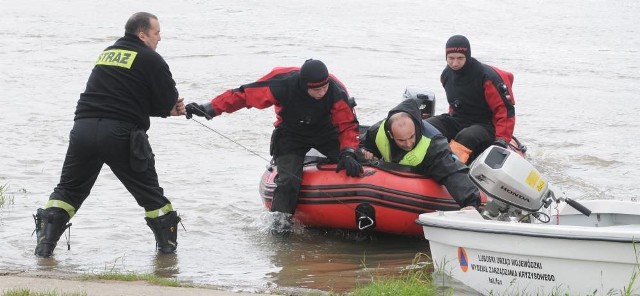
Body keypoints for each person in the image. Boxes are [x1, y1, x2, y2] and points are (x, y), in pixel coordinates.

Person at [33, 12, 185, 257]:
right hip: (121, 134)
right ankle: (167, 257)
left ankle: (43, 250)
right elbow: (167, 99)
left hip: (83, 129)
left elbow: (121, 96)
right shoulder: (151, 58)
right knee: (151, 195)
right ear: (142, 34)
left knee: (67, 192)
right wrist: (169, 109)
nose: (160, 38)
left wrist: (161, 109)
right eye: (157, 33)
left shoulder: (108, 53)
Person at [185, 59, 363, 228]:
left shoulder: (335, 91)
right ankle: (280, 226)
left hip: (325, 131)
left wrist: (348, 152)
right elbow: (243, 96)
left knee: (356, 160)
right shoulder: (282, 84)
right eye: (316, 90)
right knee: (288, 181)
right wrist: (209, 108)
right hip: (291, 134)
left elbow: (347, 125)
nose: (322, 92)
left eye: (324, 87)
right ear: (304, 85)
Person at [361, 98, 482, 209]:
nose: (408, 144)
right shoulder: (377, 131)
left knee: (448, 168)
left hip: (426, 173)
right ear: (391, 135)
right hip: (394, 175)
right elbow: (362, 145)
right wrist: (367, 154)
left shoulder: (434, 145)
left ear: (416, 127)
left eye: (411, 137)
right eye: (401, 140)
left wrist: (471, 203)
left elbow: (451, 173)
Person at [426, 35, 516, 164]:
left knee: (466, 136)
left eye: (460, 58)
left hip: (486, 125)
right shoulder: (446, 75)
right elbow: (455, 104)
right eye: (451, 58)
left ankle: (449, 167)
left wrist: (501, 140)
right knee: (426, 126)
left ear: (468, 56)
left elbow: (505, 111)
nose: (455, 63)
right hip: (458, 119)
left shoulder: (487, 77)